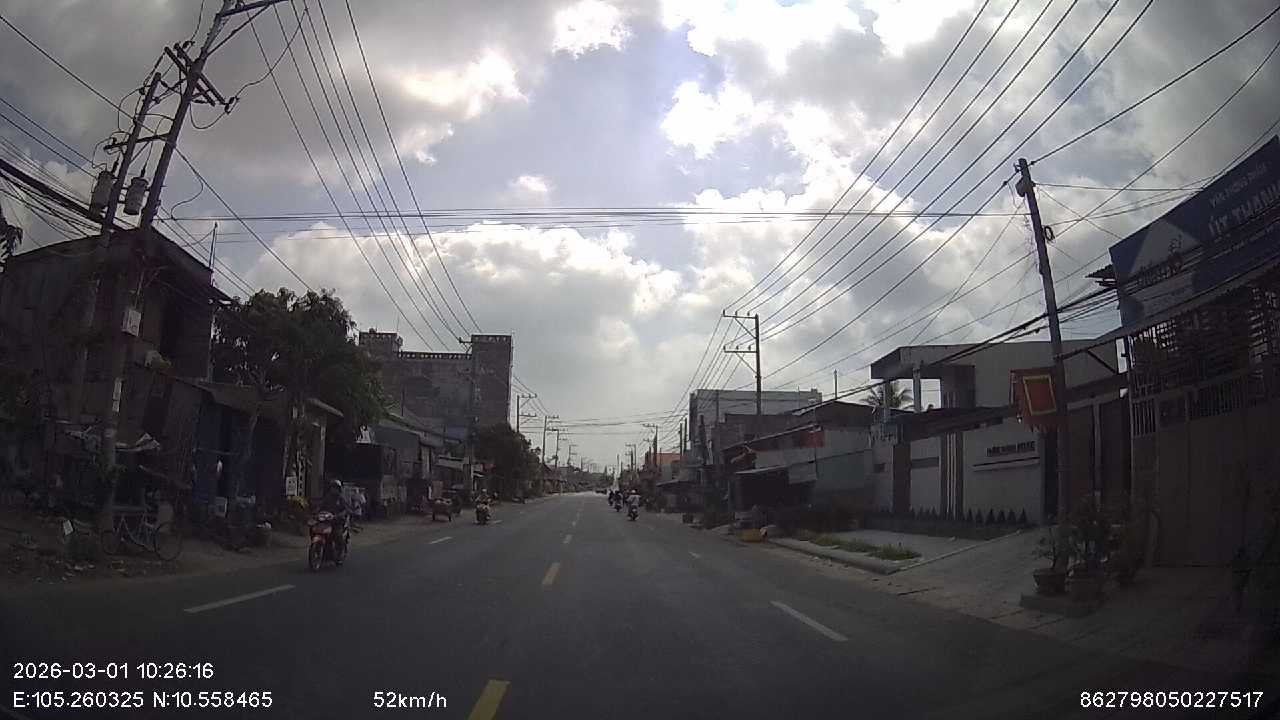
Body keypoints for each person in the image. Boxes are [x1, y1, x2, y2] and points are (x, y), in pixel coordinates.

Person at [319, 479, 351, 556]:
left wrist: (339, 515)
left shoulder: (341, 499)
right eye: (332, 488)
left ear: (339, 489)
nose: (334, 490)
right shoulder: (327, 498)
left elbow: (346, 510)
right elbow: (321, 507)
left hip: (338, 522)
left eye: (335, 488)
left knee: (337, 534)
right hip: (327, 521)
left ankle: (340, 551)